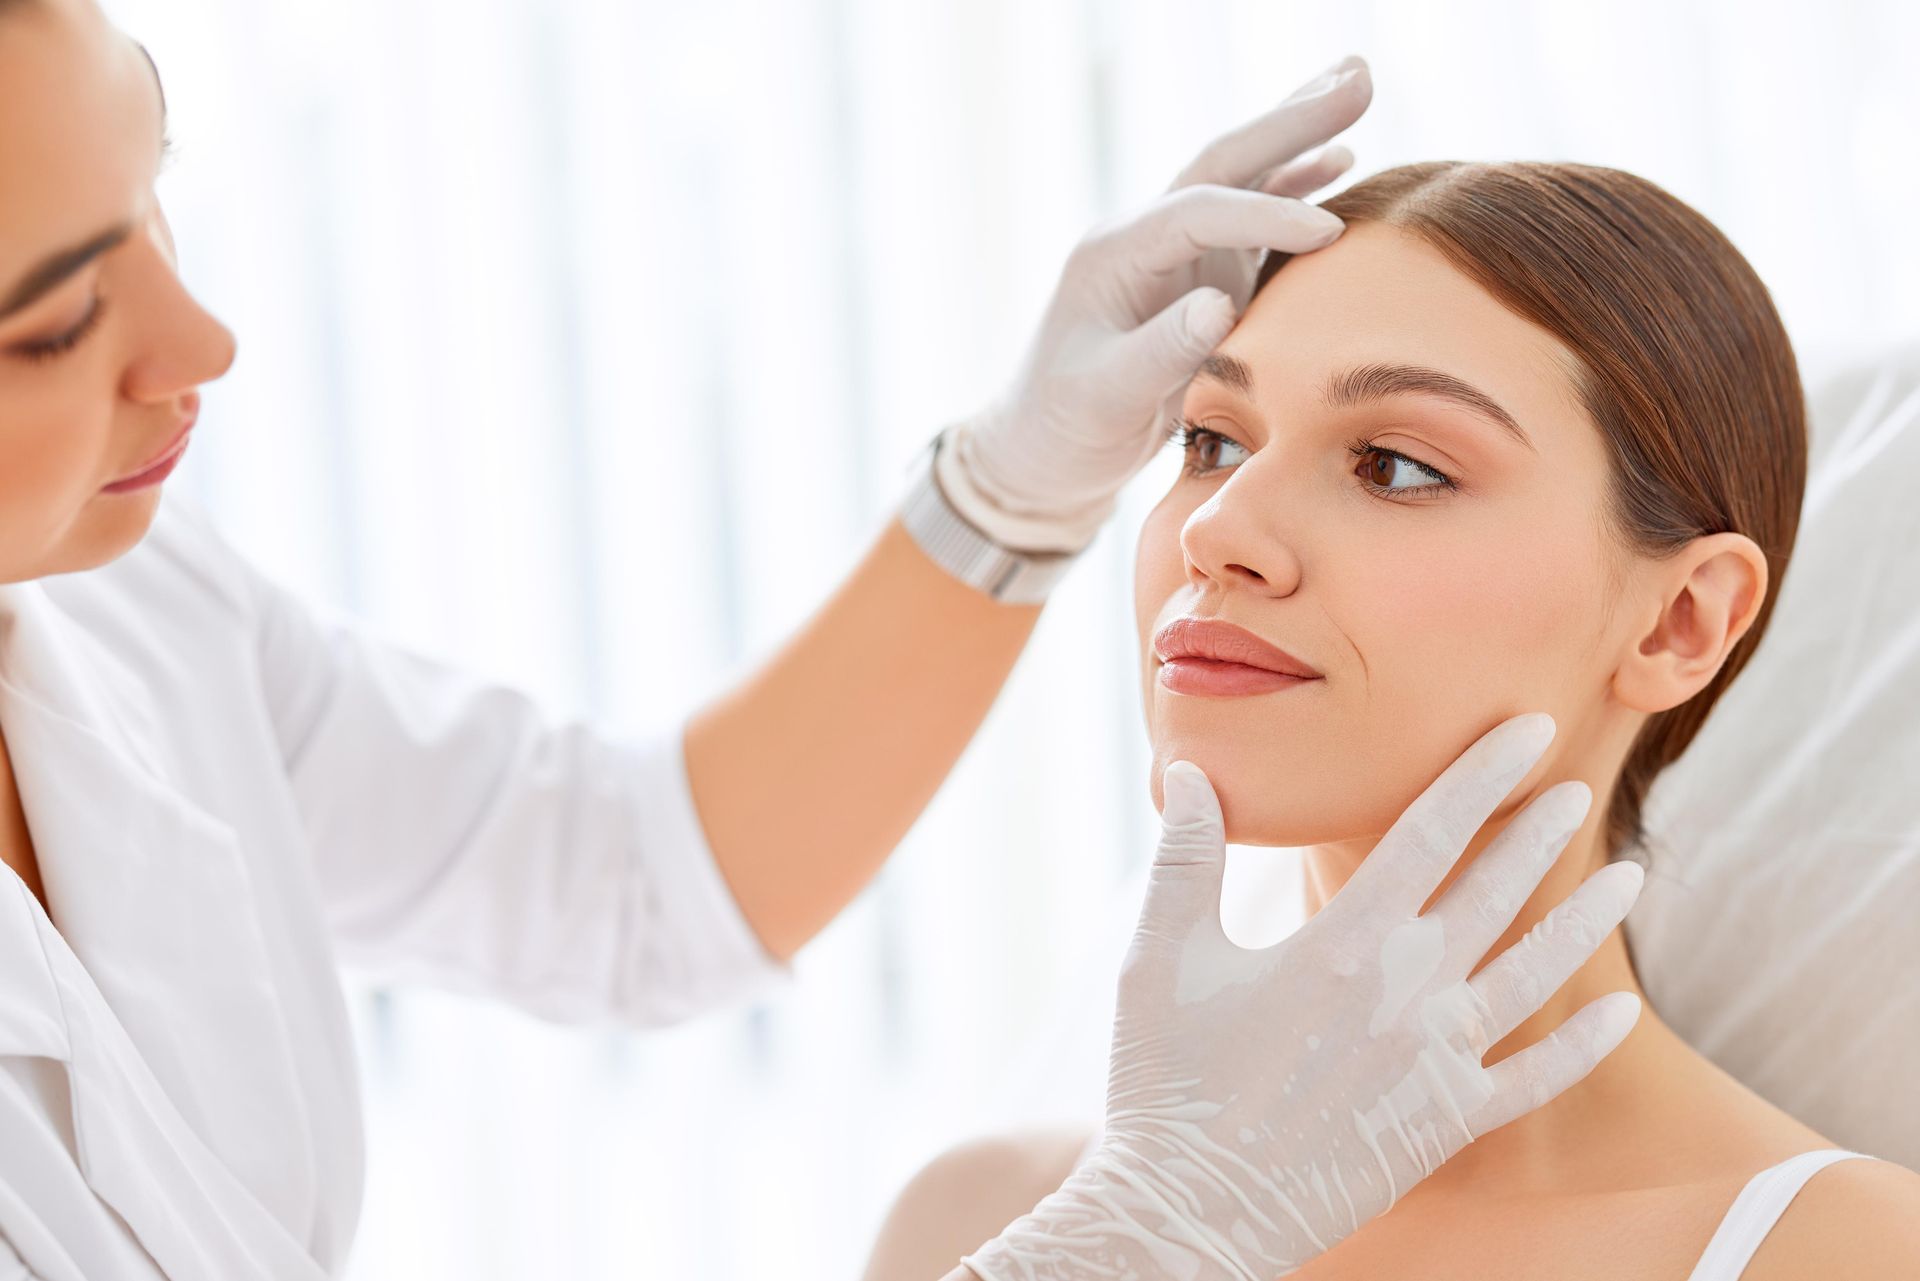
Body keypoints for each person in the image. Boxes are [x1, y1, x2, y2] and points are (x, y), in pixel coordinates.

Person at [0, 0, 1655, 1274]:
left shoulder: (126, 607)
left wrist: (1006, 496)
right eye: (54, 320)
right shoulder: (987, 1206)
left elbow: (628, 878)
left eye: (157, 195)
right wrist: (1140, 1242)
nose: (202, 340)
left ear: (1692, 614)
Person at [868, 162, 1920, 1279]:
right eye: (1212, 441)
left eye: (1396, 467)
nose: (1216, 530)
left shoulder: (1836, 1253)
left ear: (1679, 624)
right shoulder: (988, 1218)